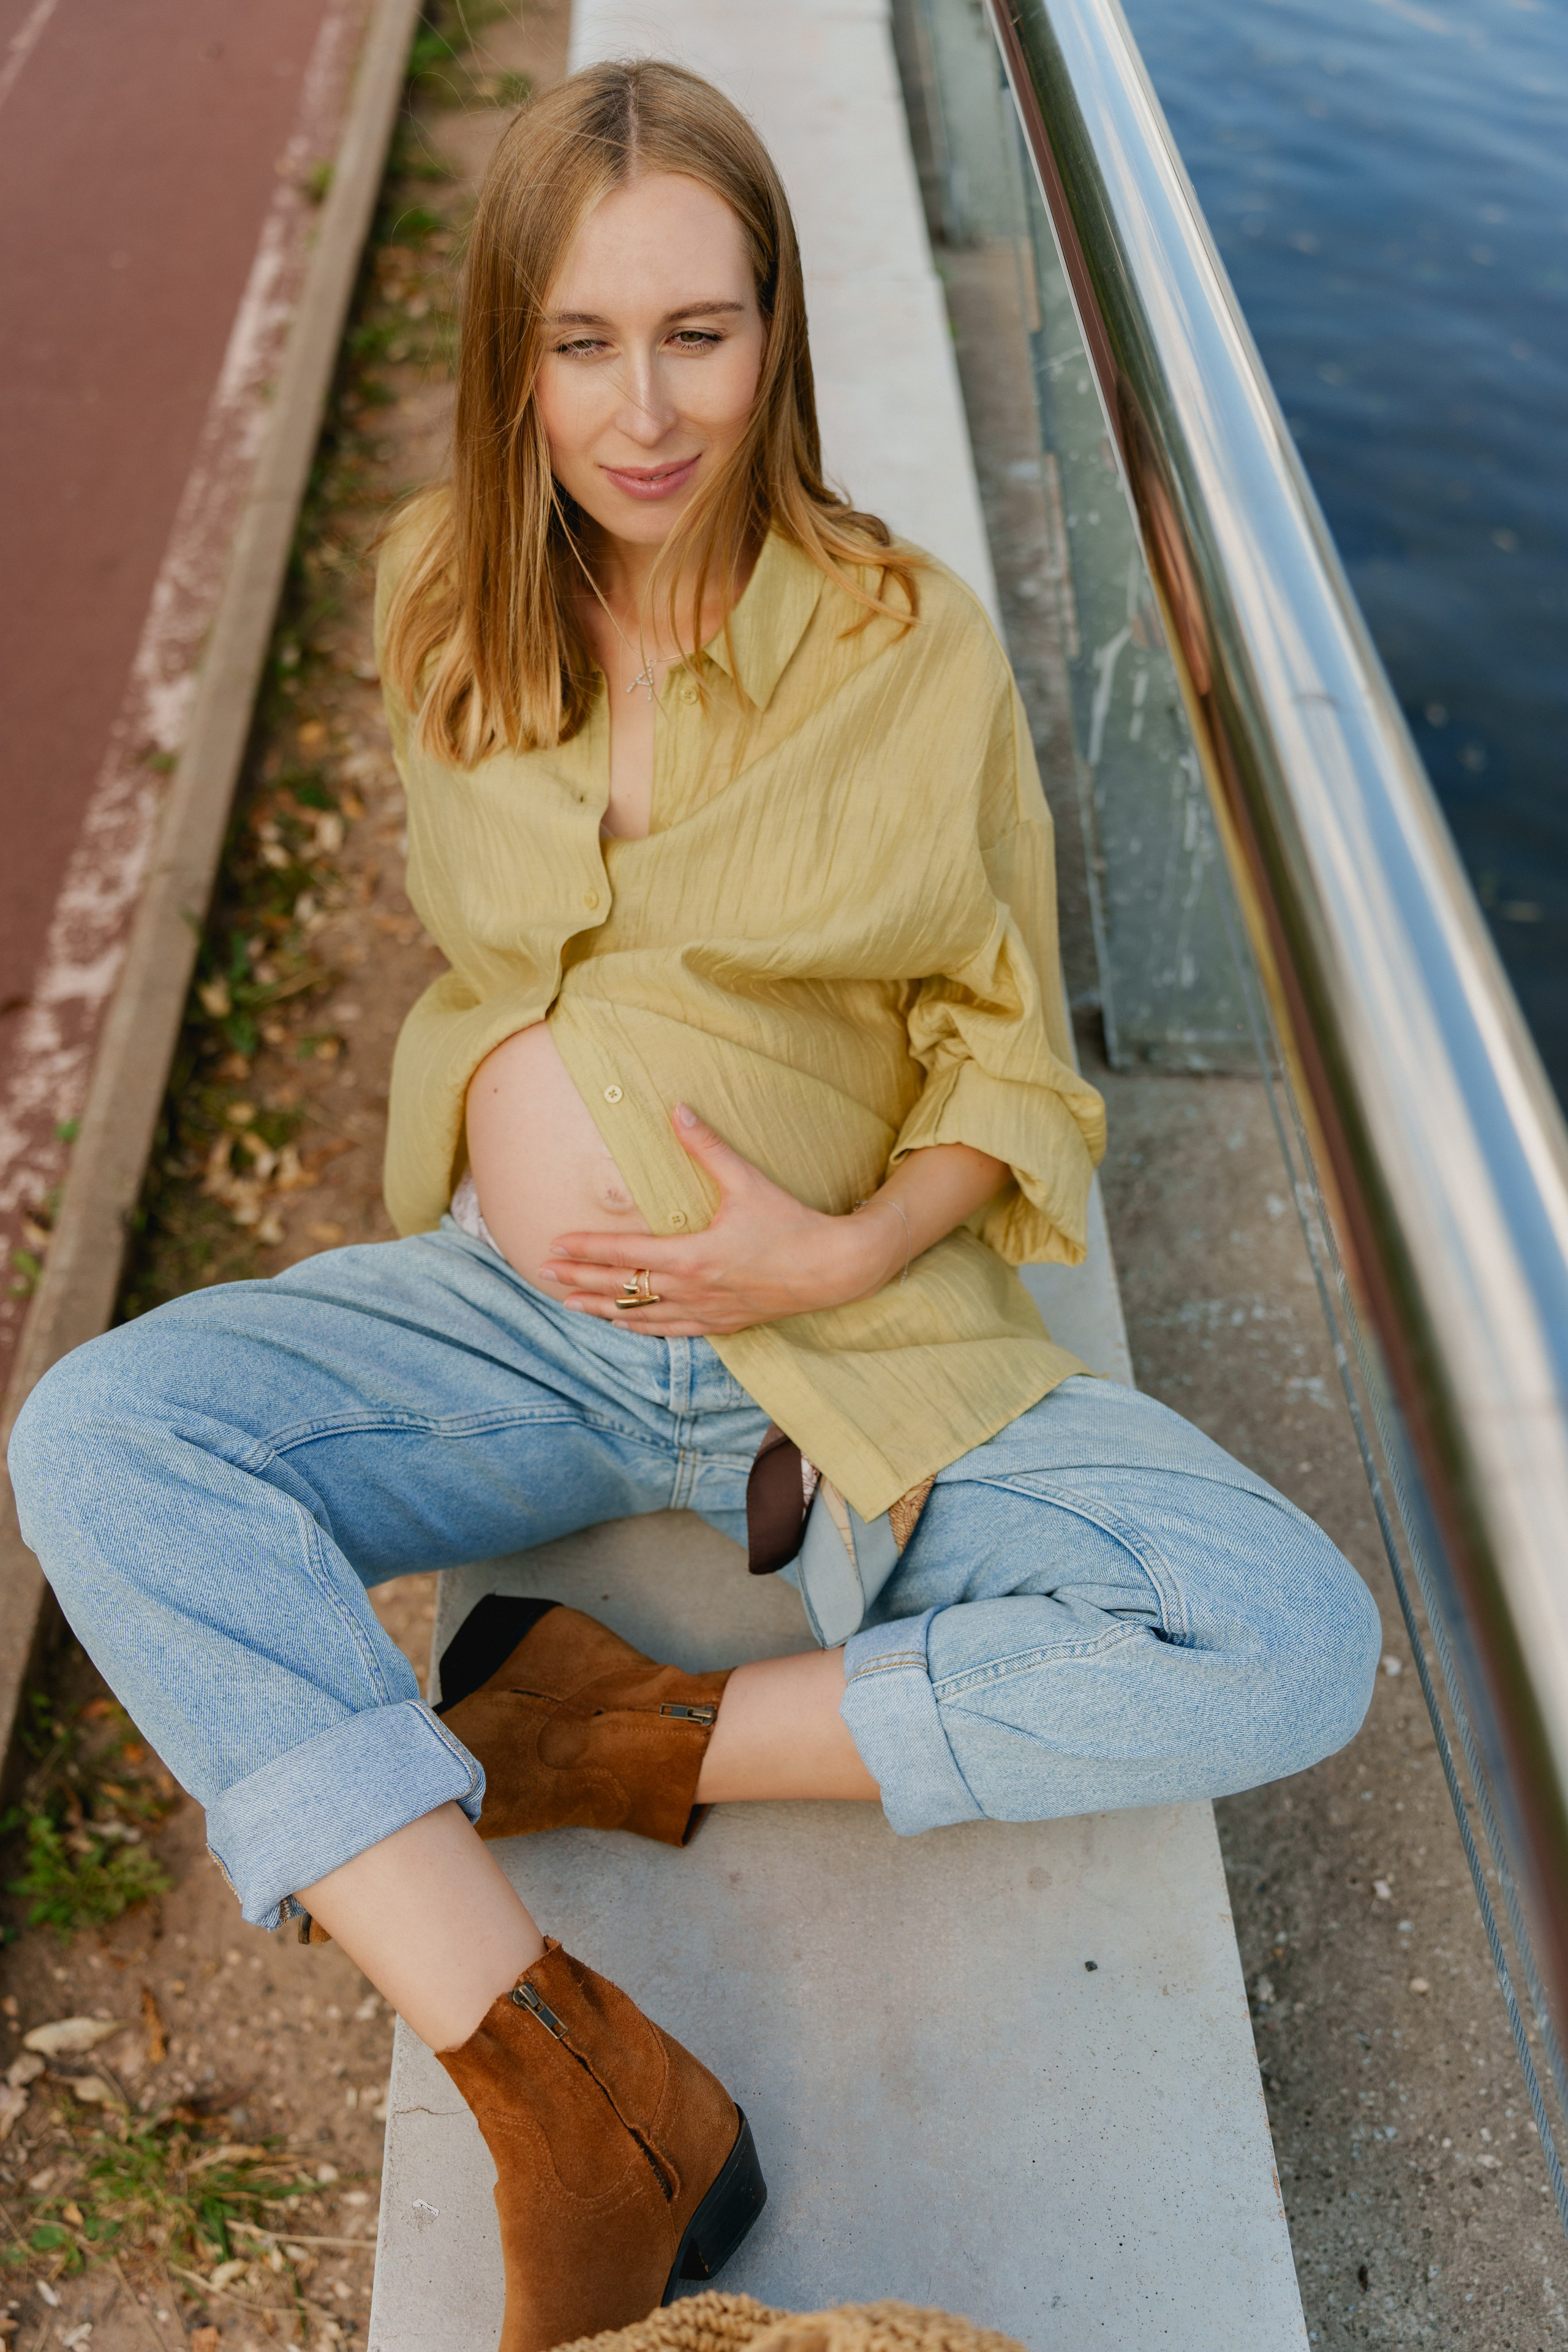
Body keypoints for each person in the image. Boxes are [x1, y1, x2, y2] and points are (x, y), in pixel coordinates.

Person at [7, 58, 1381, 2352]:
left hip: (828, 1360)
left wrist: (837, 1250)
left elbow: (1009, 1052)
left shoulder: (905, 645)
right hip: (509, 1335)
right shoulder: (441, 600)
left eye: (698, 335)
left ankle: (617, 1732)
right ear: (514, 354)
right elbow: (490, 961)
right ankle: (566, 2085)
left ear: (777, 334)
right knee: (97, 1437)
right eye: (584, 342)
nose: (644, 413)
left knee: (1283, 1632)